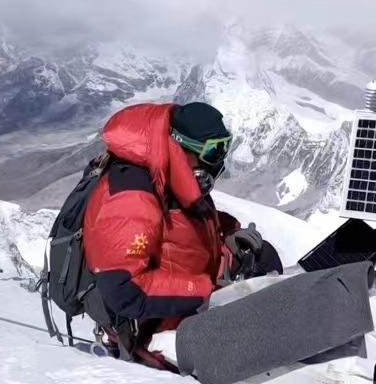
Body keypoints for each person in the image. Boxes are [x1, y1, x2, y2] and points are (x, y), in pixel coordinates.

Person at [82, 101, 281, 350]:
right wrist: (205, 292)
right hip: (157, 329)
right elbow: (123, 290)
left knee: (264, 259)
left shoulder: (169, 172)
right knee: (265, 339)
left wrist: (229, 231)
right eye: (213, 151)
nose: (219, 161)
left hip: (191, 295)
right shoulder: (131, 200)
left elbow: (181, 216)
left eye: (224, 148)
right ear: (179, 146)